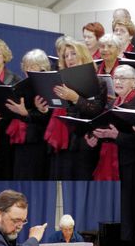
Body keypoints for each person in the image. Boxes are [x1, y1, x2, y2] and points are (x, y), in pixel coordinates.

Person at [87, 65, 135, 246]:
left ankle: (132, 241)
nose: (118, 81)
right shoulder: (113, 103)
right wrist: (95, 137)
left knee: (130, 203)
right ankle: (116, 239)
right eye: (115, 78)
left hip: (130, 160)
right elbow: (106, 127)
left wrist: (117, 135)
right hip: (109, 158)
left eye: (123, 78)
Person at [35, 37, 107, 180]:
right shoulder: (58, 80)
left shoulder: (98, 81)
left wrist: (75, 98)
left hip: (83, 142)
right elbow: (55, 108)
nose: (70, 58)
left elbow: (97, 110)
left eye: (73, 54)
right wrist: (43, 109)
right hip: (60, 140)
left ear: (83, 55)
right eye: (66, 56)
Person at [4, 49, 51, 180]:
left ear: (42, 68)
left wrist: (27, 113)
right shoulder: (21, 85)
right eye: (26, 66)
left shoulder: (47, 85)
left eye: (32, 66)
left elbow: (47, 117)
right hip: (19, 140)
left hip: (37, 140)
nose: (27, 69)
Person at [0, 39, 22, 180]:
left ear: (4, 57)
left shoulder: (15, 79)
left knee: (4, 171)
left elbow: (18, 107)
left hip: (6, 132)